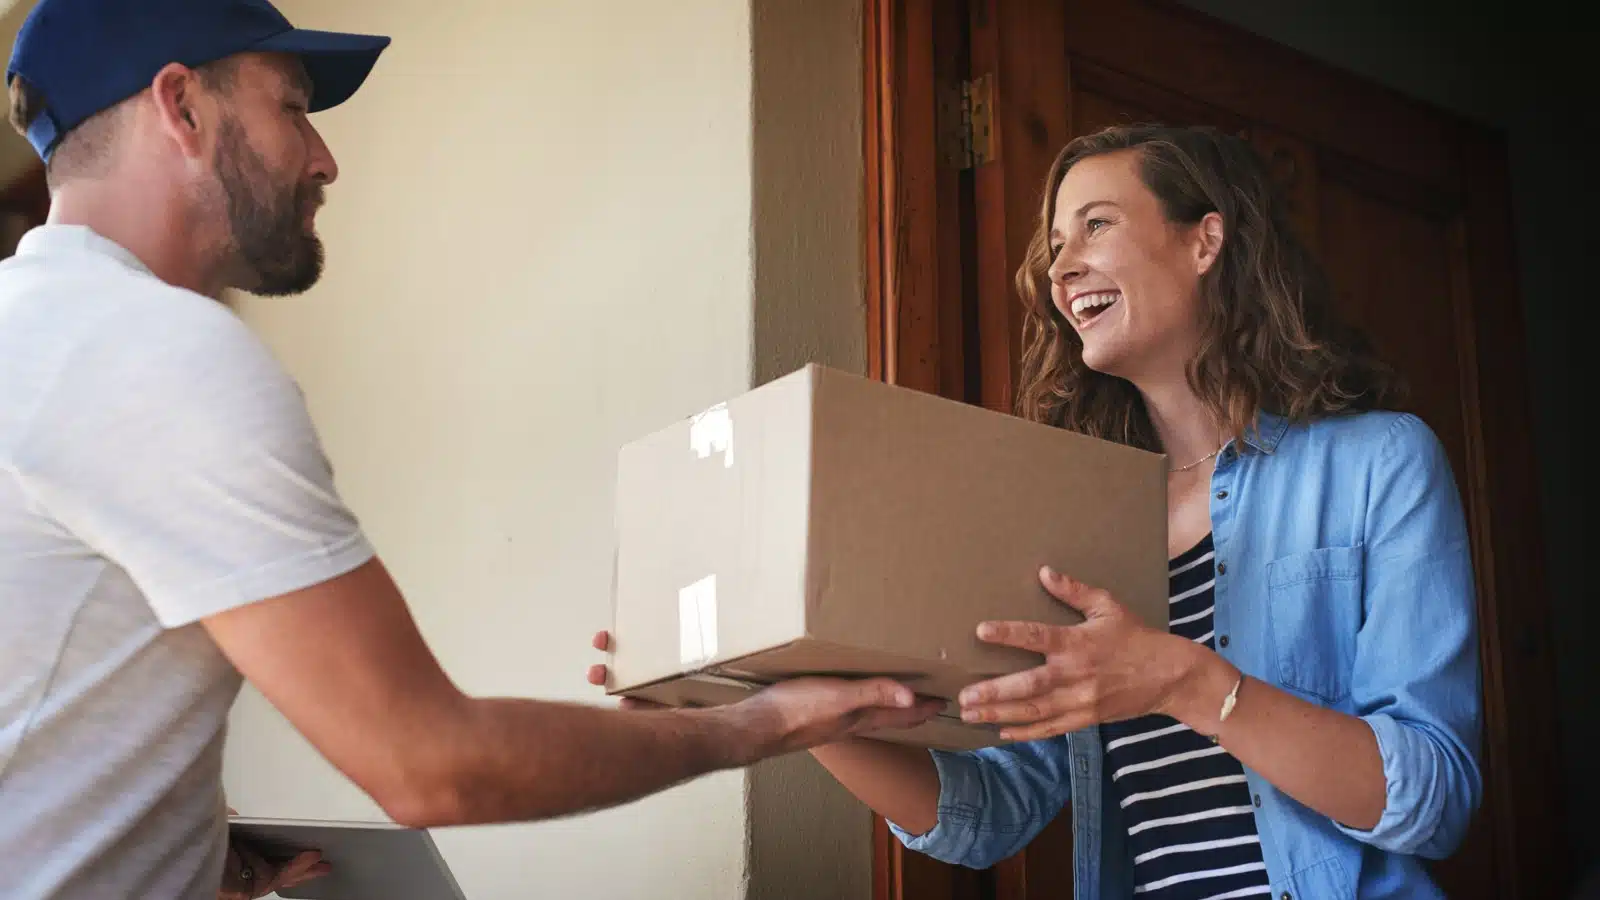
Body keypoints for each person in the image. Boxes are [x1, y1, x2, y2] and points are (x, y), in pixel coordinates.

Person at [0, 1, 940, 898]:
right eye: (292, 107)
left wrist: (186, 847)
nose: (324, 159)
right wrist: (763, 722)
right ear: (181, 106)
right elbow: (429, 765)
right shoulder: (155, 351)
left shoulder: (32, 336)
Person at [595, 124, 1483, 898]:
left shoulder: (1379, 462)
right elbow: (991, 814)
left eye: (1096, 224)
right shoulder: (1075, 521)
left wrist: (1180, 680)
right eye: (1056, 242)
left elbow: (1433, 800)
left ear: (1205, 239)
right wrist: (779, 706)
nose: (1061, 267)